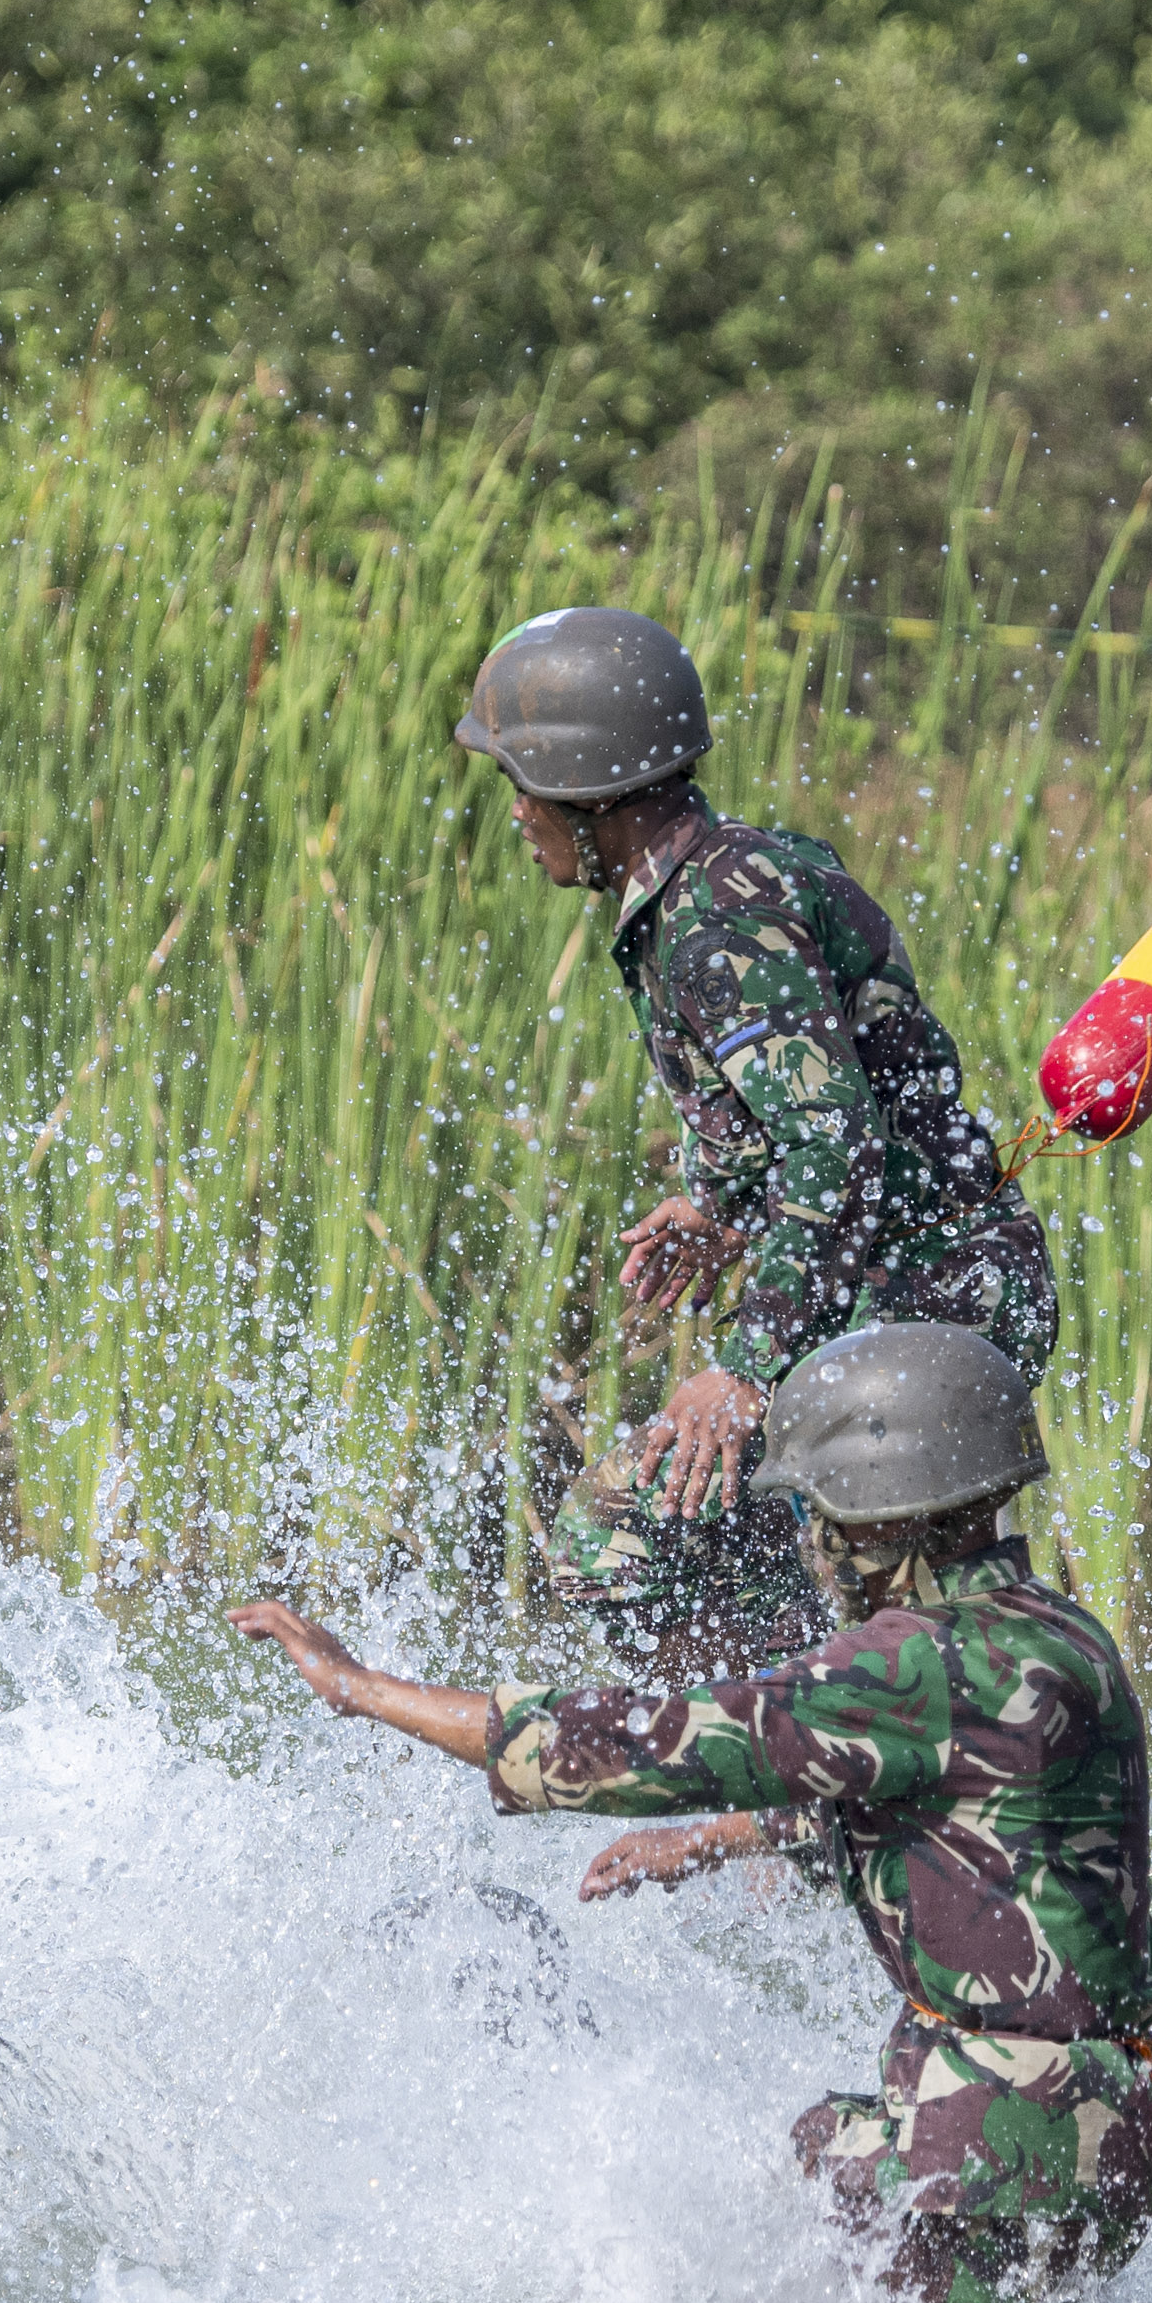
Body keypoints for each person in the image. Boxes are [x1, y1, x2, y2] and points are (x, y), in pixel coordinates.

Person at [229, 1321, 1152, 2303]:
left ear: (877, 1521)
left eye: (819, 1516)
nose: (811, 1543)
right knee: (816, 2151)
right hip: (1089, 2130)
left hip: (1002, 2142)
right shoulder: (1049, 1630)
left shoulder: (917, 1660)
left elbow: (640, 1744)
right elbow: (968, 1821)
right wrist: (717, 1843)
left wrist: (367, 1692)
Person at [458, 609, 1056, 1673]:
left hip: (924, 1305)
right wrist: (724, 1200)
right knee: (669, 1545)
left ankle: (816, 1782)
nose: (515, 815)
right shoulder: (735, 874)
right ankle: (788, 1788)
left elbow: (839, 1147)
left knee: (649, 1549)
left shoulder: (716, 924)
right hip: (896, 1292)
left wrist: (742, 1369)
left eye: (522, 786)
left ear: (590, 797)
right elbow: (839, 1095)